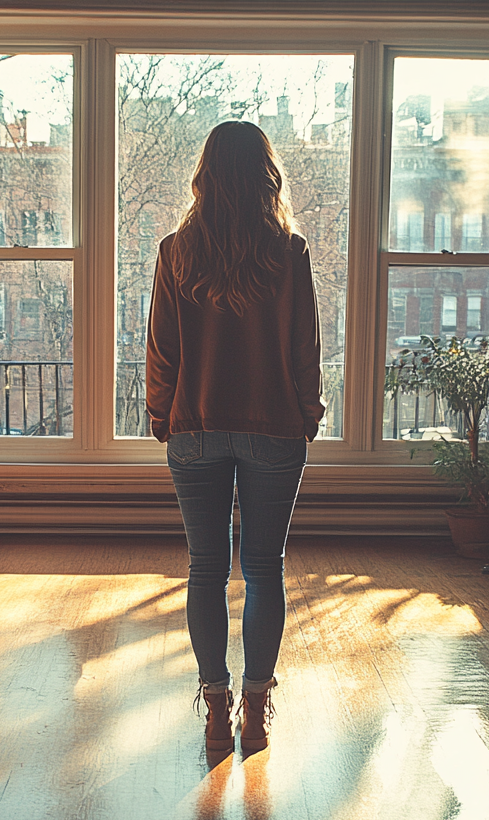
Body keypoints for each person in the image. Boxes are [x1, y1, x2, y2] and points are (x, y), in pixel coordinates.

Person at [145, 120, 325, 754]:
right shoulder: (289, 252)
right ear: (263, 176)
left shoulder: (175, 251)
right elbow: (304, 344)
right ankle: (255, 711)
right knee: (264, 570)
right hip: (273, 426)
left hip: (194, 425)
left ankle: (215, 710)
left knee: (205, 568)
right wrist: (308, 409)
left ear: (206, 175)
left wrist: (160, 413)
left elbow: (162, 347)